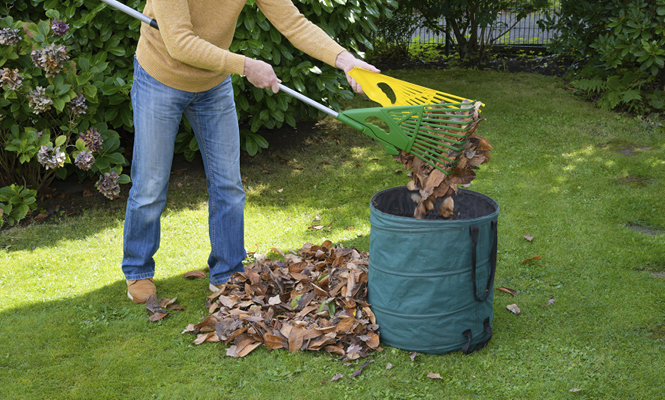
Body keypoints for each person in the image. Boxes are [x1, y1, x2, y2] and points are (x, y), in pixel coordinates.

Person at [123, 0, 379, 303]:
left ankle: (227, 272)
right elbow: (180, 43)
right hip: (160, 76)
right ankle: (138, 270)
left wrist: (345, 60)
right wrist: (245, 66)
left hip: (212, 83)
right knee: (150, 185)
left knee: (228, 184)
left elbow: (293, 23)